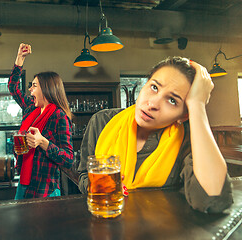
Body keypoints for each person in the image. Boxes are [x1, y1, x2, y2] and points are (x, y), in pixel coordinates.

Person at [78, 57, 233, 213]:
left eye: (172, 100)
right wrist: (98, 187)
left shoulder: (187, 140)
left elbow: (212, 201)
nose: (152, 104)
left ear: (183, 116)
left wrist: (197, 105)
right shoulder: (102, 121)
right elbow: (84, 174)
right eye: (154, 87)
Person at [9, 43, 74, 199]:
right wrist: (20, 58)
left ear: (46, 89)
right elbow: (13, 87)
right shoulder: (31, 108)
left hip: (45, 190)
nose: (30, 89)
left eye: (34, 86)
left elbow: (68, 159)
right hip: (24, 183)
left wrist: (43, 142)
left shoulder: (59, 116)